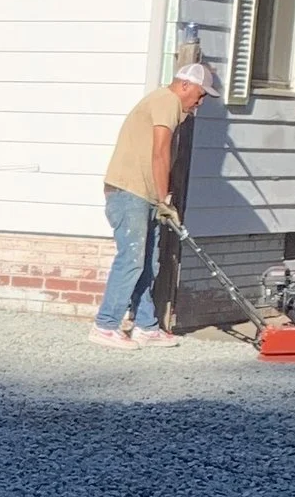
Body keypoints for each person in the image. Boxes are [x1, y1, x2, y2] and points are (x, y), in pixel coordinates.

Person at [93, 56, 217, 349]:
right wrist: (165, 200)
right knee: (132, 258)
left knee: (149, 262)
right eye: (199, 96)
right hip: (129, 192)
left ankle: (146, 326)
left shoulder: (171, 105)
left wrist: (159, 198)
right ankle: (105, 325)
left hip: (144, 195)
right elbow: (160, 152)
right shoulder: (167, 101)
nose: (199, 104)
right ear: (185, 85)